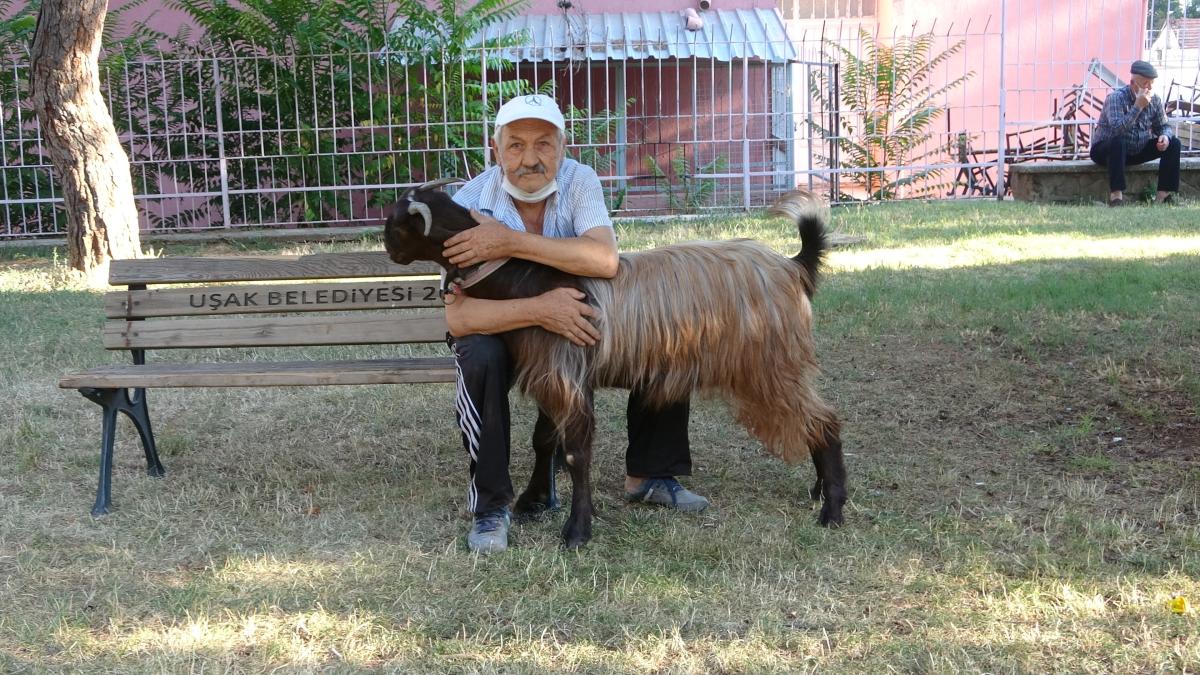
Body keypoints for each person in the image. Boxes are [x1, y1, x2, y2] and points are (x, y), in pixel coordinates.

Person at [443, 94, 709, 553]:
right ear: (495, 149)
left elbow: (603, 259)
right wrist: (540, 309)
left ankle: (649, 473)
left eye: (544, 144)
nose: (530, 159)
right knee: (478, 355)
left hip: (574, 328)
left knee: (654, 328)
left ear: (563, 147)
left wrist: (508, 241)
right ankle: (492, 506)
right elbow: (459, 316)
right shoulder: (467, 204)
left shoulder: (578, 181)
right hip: (506, 331)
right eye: (516, 145)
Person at [1089, 60, 1181, 207]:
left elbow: (1164, 125)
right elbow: (1117, 130)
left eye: (1152, 83)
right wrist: (1137, 107)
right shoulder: (1116, 98)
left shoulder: (1155, 99)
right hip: (1107, 151)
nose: (1149, 87)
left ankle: (1164, 196)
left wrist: (1165, 136)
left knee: (1174, 143)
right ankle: (1116, 196)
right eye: (1145, 83)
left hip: (1136, 149)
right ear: (1133, 83)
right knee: (1118, 142)